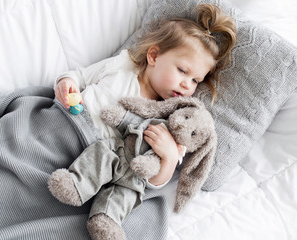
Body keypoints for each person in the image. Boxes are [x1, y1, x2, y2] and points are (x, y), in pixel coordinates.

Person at [54, 3, 236, 189]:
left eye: (195, 80)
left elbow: (150, 181)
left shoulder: (171, 120)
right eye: (182, 70)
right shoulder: (123, 65)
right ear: (154, 56)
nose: (186, 84)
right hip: (63, 123)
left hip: (87, 160)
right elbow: (80, 76)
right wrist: (66, 83)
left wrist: (170, 157)